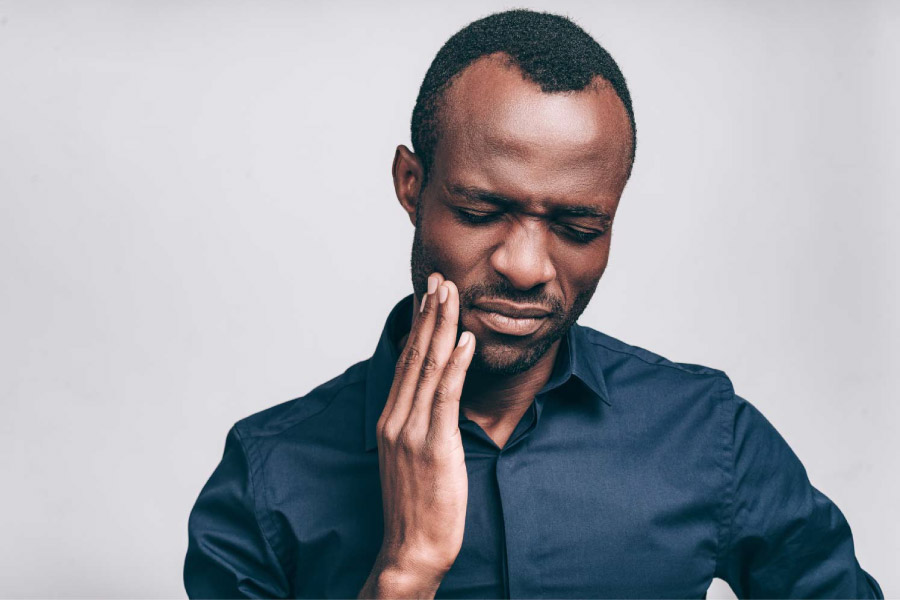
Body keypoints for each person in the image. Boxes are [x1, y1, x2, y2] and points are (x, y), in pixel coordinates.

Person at [183, 9, 882, 599]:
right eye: (482, 210)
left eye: (578, 228)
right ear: (410, 185)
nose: (525, 268)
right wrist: (404, 573)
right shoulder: (268, 477)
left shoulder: (706, 435)